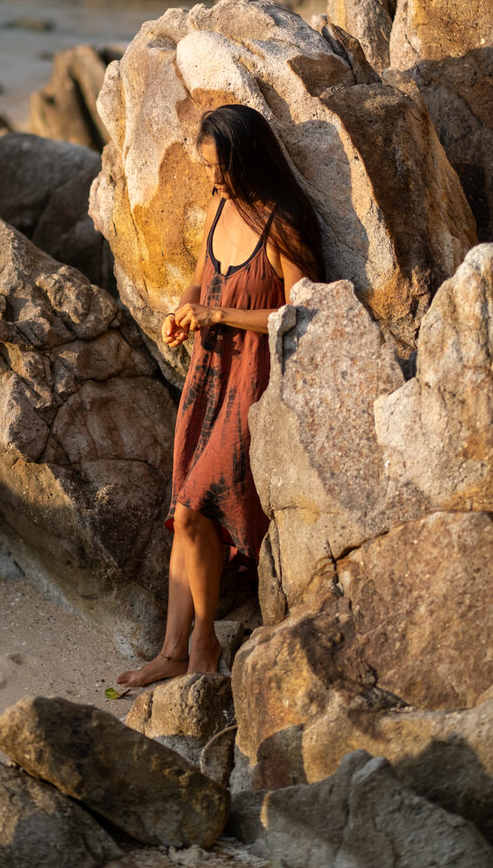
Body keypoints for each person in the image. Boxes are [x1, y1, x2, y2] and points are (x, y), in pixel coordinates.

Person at [117, 104, 323, 688]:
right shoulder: (218, 208)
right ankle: (172, 650)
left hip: (252, 387)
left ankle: (203, 645)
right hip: (206, 378)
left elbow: (301, 310)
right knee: (184, 514)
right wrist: (183, 310)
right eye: (208, 167)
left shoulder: (283, 223)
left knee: (193, 512)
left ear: (245, 159)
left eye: (219, 167)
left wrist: (218, 312)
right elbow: (203, 279)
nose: (212, 179)